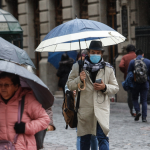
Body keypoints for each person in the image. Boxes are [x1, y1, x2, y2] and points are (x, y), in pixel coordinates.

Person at [67, 41, 119, 150]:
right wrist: (79, 79)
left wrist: (104, 87)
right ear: (88, 53)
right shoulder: (78, 67)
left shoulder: (107, 68)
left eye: (98, 52)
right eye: (93, 52)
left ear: (101, 53)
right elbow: (70, 85)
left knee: (102, 137)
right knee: (85, 139)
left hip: (101, 109)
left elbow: (115, 87)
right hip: (85, 110)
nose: (95, 54)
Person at [0, 72, 50, 150]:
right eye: (0, 85)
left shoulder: (27, 99)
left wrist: (26, 127)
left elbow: (45, 120)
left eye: (6, 85)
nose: (2, 88)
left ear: (16, 86)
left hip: (23, 147)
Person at [75, 50, 99, 150]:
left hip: (94, 107)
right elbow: (69, 85)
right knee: (81, 134)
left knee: (93, 135)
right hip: (81, 107)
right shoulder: (76, 68)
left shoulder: (96, 69)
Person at [128, 49, 150, 122]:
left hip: (135, 83)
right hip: (145, 83)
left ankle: (137, 111)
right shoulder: (148, 61)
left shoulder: (132, 62)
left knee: (134, 98)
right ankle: (144, 118)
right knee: (144, 100)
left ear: (136, 55)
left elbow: (129, 73)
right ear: (143, 54)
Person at [119, 44, 136, 117]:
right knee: (137, 95)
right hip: (138, 79)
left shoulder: (125, 57)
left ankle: (132, 110)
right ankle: (137, 109)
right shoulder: (137, 56)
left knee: (130, 95)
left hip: (129, 78)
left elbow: (120, 66)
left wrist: (126, 71)